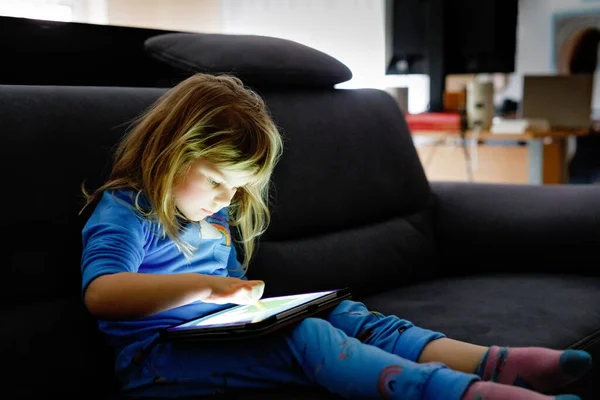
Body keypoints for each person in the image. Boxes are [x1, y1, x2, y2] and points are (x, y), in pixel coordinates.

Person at [80, 73, 591, 400]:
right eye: (216, 182)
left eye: (236, 190)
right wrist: (208, 290)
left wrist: (241, 303)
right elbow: (103, 294)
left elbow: (227, 301)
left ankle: (492, 362)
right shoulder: (127, 210)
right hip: (155, 363)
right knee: (309, 337)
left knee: (343, 313)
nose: (225, 201)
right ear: (172, 149)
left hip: (214, 335)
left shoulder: (210, 220)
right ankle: (462, 394)